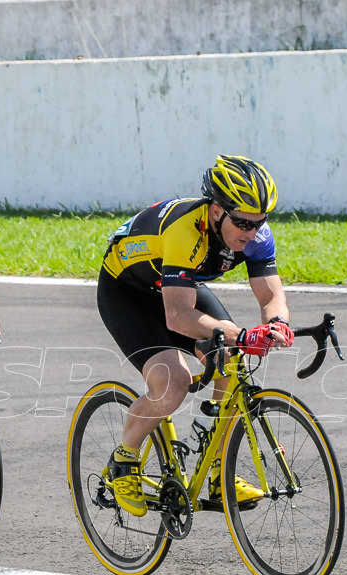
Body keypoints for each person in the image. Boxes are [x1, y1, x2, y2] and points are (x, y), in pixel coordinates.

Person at [96, 154, 294, 517]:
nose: (251, 233)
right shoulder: (185, 230)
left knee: (230, 361)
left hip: (176, 285)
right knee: (173, 382)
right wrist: (242, 333)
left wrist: (277, 323)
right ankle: (122, 463)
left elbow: (271, 295)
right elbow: (178, 316)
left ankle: (218, 474)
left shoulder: (254, 233)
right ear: (217, 210)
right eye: (242, 223)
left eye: (259, 223)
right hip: (128, 291)